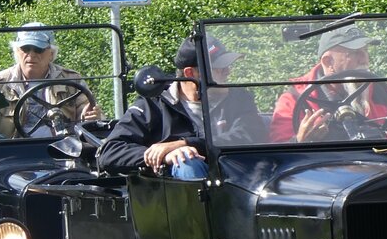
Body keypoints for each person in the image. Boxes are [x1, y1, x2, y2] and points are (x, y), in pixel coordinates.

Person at [99, 35, 265, 178]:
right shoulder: (153, 104)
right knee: (185, 162)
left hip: (236, 179)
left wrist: (185, 143)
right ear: (190, 73)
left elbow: (250, 135)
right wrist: (164, 155)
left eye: (227, 66)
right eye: (219, 68)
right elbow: (110, 151)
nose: (228, 71)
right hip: (175, 195)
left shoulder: (238, 98)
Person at [270, 24, 387, 143]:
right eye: (354, 53)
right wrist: (300, 140)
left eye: (366, 51)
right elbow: (277, 153)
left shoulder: (380, 92)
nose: (364, 59)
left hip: (376, 169)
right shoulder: (295, 98)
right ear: (328, 61)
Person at [0, 23, 103, 140]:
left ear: (51, 53)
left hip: (63, 148)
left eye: (38, 49)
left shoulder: (71, 80)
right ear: (17, 52)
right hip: (15, 153)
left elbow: (91, 115)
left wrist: (90, 116)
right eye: (25, 49)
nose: (31, 54)